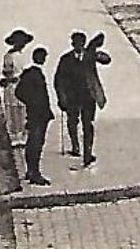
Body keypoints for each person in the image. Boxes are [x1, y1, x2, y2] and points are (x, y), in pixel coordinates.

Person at [53, 31, 112, 167]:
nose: (78, 46)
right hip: (72, 97)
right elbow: (59, 80)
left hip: (88, 97)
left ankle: (87, 154)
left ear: (84, 44)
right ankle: (75, 146)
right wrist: (61, 98)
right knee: (72, 122)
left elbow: (107, 60)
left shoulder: (90, 56)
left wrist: (97, 52)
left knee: (88, 125)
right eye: (75, 44)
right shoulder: (65, 59)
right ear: (72, 44)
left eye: (80, 44)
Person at [0, 29, 34, 190]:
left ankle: (22, 135)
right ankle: (15, 135)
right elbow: (7, 73)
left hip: (23, 85)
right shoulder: (9, 57)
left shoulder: (23, 56)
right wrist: (12, 78)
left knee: (23, 109)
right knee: (13, 110)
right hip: (13, 86)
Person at [13, 46, 54, 185]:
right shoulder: (33, 73)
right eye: (43, 57)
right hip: (37, 115)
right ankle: (33, 172)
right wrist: (33, 103)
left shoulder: (32, 73)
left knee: (34, 143)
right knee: (35, 144)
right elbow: (19, 92)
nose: (43, 59)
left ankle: (31, 171)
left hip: (39, 114)